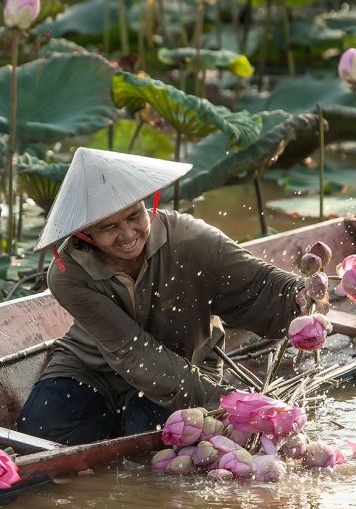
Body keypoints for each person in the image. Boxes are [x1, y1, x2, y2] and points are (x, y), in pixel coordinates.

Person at [16, 147, 303, 445]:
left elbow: (258, 281)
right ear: (85, 233)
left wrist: (300, 296)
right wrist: (224, 399)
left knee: (148, 433)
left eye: (134, 216)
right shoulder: (68, 275)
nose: (127, 234)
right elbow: (132, 351)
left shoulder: (188, 235)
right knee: (40, 429)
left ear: (147, 204)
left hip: (186, 362)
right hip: (93, 366)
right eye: (109, 227)